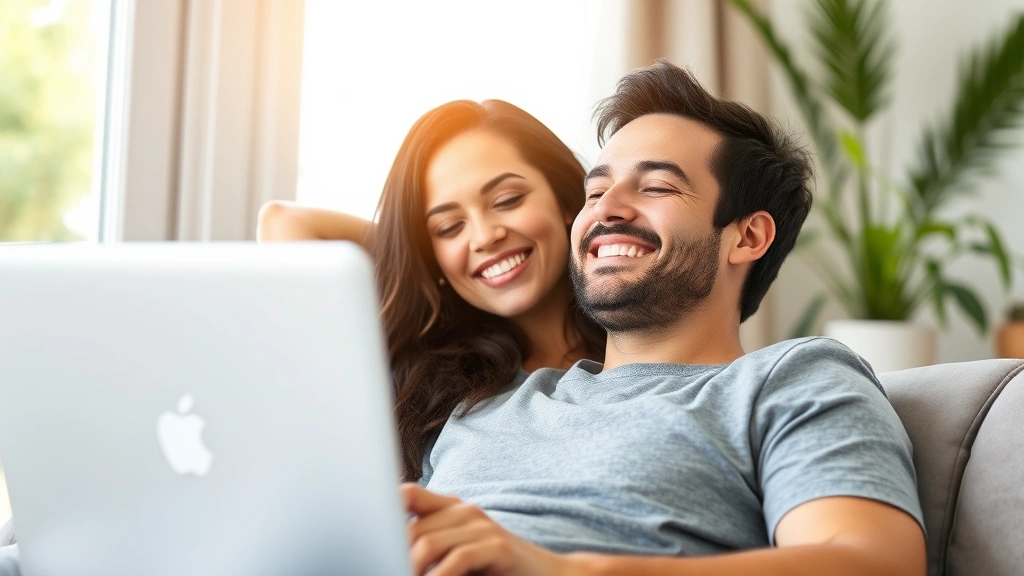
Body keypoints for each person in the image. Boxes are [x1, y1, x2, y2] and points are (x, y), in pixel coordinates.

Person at [399, 60, 926, 576]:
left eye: (655, 187)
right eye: (595, 192)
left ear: (747, 237)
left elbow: (874, 562)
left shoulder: (792, 380)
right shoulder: (486, 406)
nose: (607, 210)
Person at [260, 100, 605, 481]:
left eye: (506, 201)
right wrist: (413, 257)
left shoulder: (645, 342)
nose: (485, 237)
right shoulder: (422, 381)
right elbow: (284, 221)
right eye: (448, 227)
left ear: (566, 201)